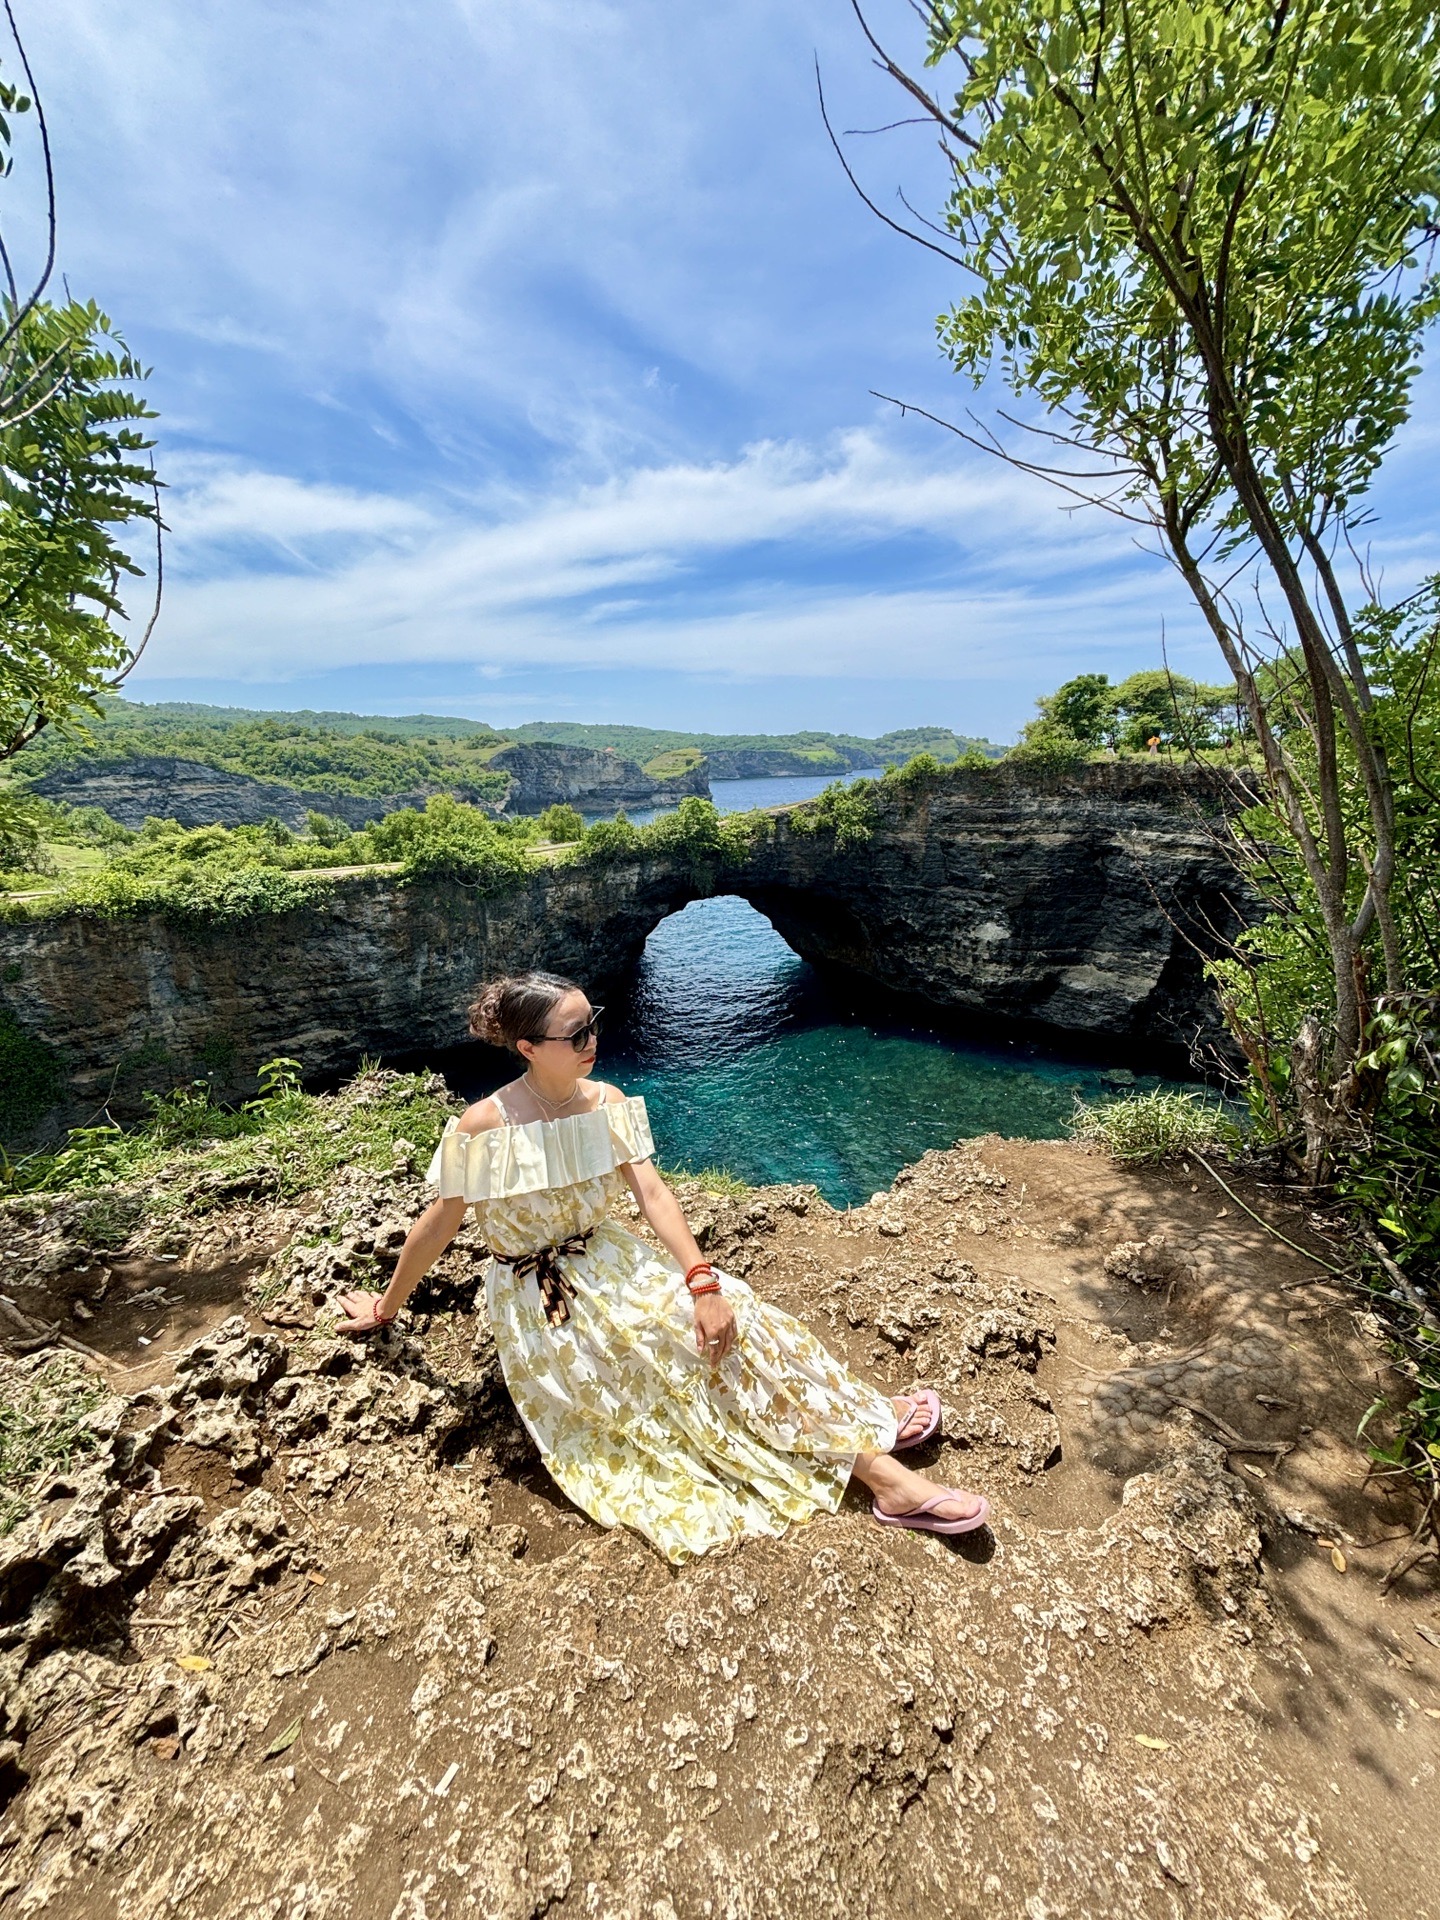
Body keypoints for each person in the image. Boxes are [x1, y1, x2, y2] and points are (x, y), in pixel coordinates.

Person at [337, 971, 989, 1563]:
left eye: (593, 1021)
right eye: (576, 1032)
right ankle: (883, 1479)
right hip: (546, 1292)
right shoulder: (484, 1126)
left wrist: (702, 1280)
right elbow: (440, 1224)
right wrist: (386, 1306)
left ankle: (843, 1424)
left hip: (610, 1255)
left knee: (735, 1314)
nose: (593, 1039)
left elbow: (652, 1193)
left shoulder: (605, 1101)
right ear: (528, 1047)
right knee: (668, 1352)